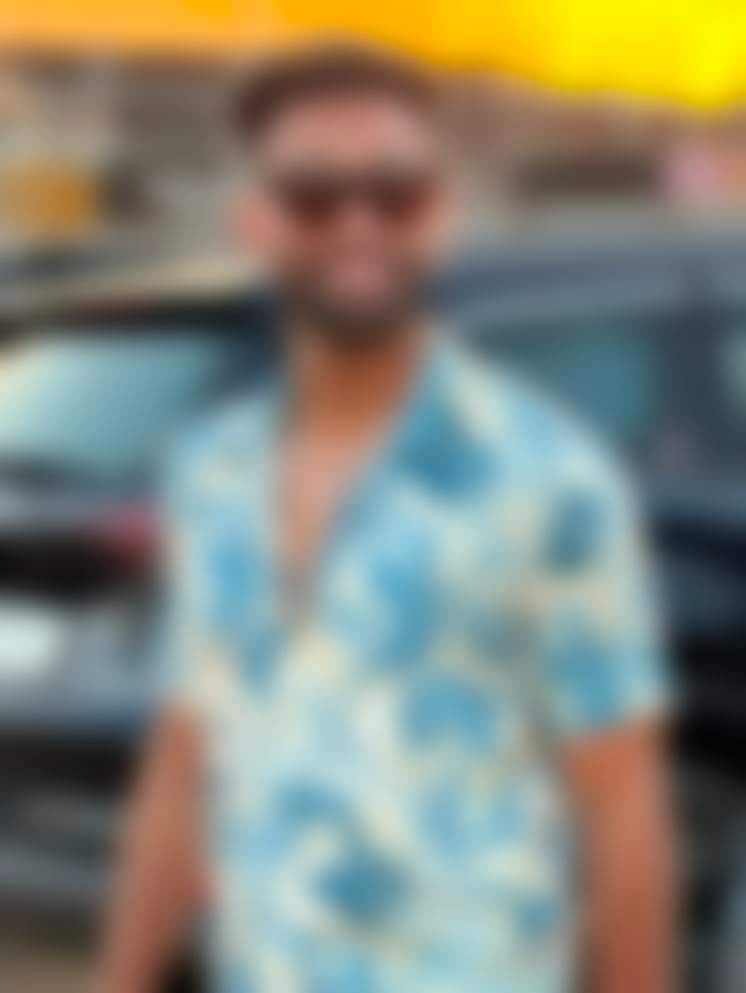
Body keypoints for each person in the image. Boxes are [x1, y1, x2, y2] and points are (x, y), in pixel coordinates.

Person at [97, 42, 676, 993]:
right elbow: (181, 760)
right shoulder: (211, 471)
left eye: (395, 193)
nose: (357, 223)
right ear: (255, 222)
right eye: (313, 195)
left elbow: (623, 806)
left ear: (439, 215)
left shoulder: (550, 477)